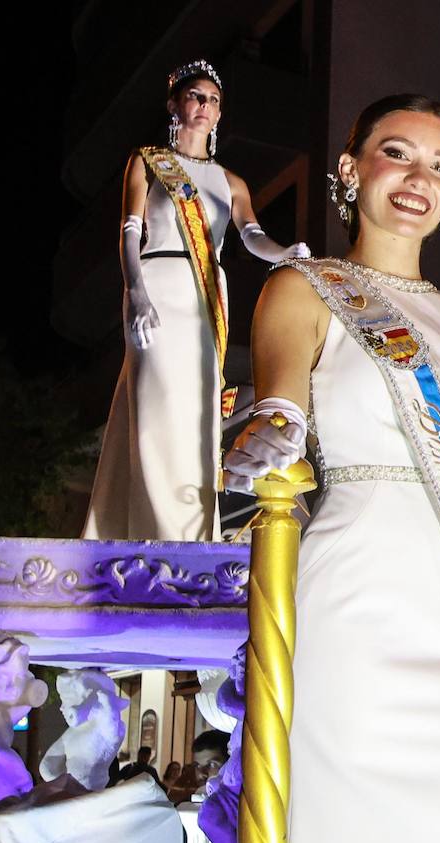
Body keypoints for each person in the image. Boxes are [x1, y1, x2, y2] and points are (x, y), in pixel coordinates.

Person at [223, 94, 440, 843]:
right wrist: (267, 434)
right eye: (397, 154)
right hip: (354, 609)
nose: (419, 179)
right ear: (350, 168)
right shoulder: (304, 291)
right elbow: (283, 413)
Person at [83, 59, 309, 541]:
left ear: (220, 113)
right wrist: (135, 291)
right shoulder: (147, 162)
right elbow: (129, 233)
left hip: (206, 292)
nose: (204, 106)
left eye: (213, 100)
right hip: (156, 284)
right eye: (195, 96)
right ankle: (157, 530)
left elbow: (251, 236)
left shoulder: (231, 182)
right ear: (174, 105)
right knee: (156, 400)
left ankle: (191, 533)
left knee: (198, 408)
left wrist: (286, 253)